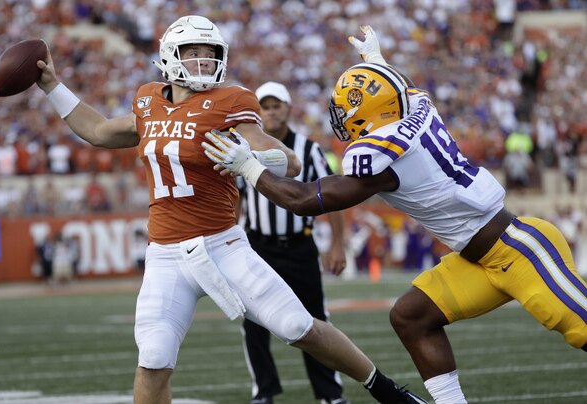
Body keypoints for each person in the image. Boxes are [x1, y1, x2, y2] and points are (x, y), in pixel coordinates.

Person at [33, 16, 426, 404]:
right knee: (153, 359)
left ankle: (385, 389)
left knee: (298, 326)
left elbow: (288, 161)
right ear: (170, 55)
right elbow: (98, 131)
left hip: (222, 245)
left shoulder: (229, 100)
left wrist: (249, 156)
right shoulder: (148, 99)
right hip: (165, 254)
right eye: (193, 52)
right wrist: (52, 85)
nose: (204, 61)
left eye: (210, 53)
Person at [203, 25, 587, 404]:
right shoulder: (417, 104)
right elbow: (401, 87)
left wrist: (249, 168)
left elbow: (304, 200)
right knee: (411, 316)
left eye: (345, 110)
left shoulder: (381, 156)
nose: (340, 117)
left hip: (519, 249)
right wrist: (376, 61)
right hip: (478, 259)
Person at [239, 81, 349, 404]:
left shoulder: (308, 149)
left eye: (277, 106)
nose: (271, 112)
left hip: (300, 246)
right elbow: (236, 200)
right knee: (254, 323)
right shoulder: (245, 147)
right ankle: (264, 392)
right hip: (258, 247)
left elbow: (331, 195)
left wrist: (338, 244)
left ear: (288, 108)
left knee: (315, 321)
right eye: (265, 107)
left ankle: (329, 394)